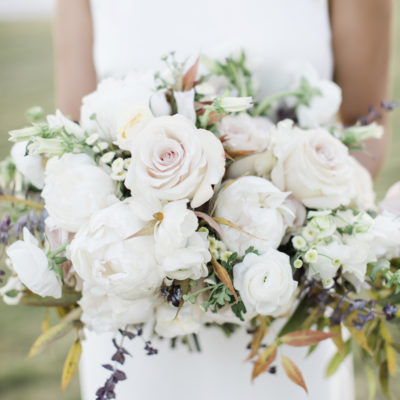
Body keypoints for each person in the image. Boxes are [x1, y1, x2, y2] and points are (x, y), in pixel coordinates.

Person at [53, 1, 393, 399]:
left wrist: (289, 236)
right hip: (137, 312)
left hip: (285, 302)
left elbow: (365, 120)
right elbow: (72, 131)